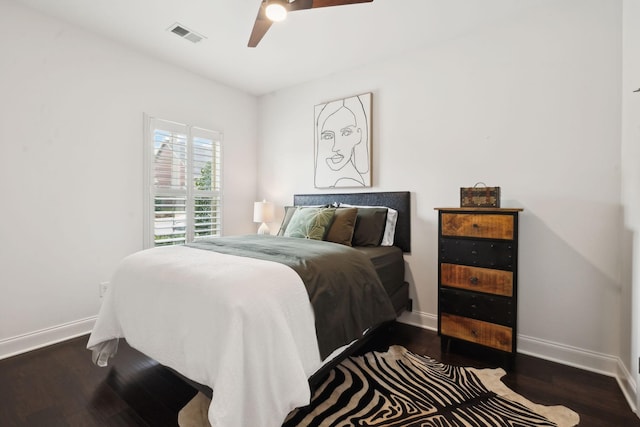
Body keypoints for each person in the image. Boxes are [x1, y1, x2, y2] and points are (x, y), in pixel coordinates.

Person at [314, 95, 370, 188]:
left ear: (359, 135)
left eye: (346, 133)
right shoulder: (330, 181)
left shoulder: (349, 181)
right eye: (328, 136)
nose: (335, 147)